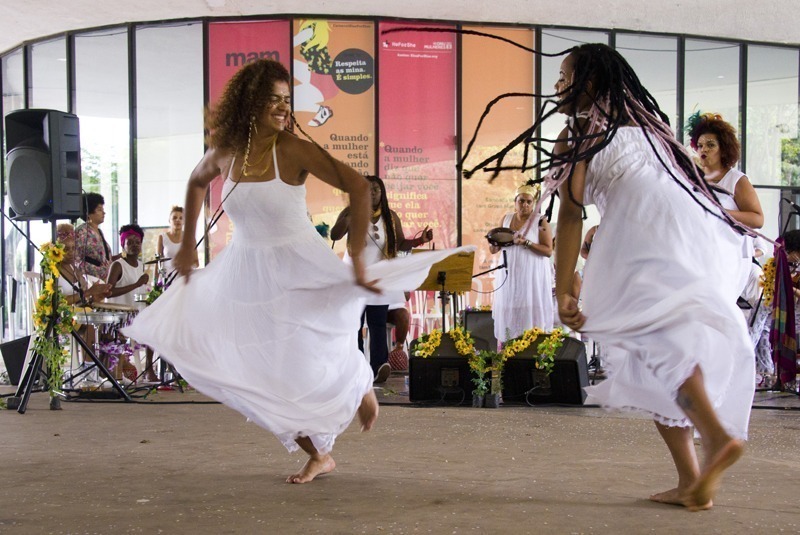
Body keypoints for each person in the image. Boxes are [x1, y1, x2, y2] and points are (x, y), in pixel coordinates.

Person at [124, 59, 469, 484]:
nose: (283, 107)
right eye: (273, 99)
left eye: (287, 100)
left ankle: (357, 380)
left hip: (300, 266)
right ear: (249, 102)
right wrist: (189, 250)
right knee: (261, 374)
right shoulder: (226, 152)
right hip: (248, 272)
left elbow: (358, 186)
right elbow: (196, 182)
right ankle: (319, 454)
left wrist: (358, 256)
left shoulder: (291, 149)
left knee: (308, 352)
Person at [541, 43, 755, 511]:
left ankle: (716, 436)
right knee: (649, 353)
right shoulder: (651, 127)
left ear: (589, 83)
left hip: (639, 230)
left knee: (654, 342)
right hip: (688, 230)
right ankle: (690, 481)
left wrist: (562, 289)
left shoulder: (578, 133)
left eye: (564, 77)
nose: (557, 86)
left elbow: (572, 215)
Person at [330, 175, 433, 382]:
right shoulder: (351, 211)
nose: (372, 193)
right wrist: (348, 219)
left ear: (382, 193)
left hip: (379, 280)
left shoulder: (390, 216)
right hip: (355, 278)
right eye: (367, 189)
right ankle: (356, 368)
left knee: (377, 324)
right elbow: (334, 235)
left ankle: (379, 367)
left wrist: (419, 240)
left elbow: (400, 243)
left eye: (376, 189)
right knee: (354, 325)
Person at [489, 183, 554, 345]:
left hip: (532, 276)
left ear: (533, 204)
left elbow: (548, 251)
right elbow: (493, 249)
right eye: (521, 201)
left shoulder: (540, 221)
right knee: (509, 312)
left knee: (530, 314)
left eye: (529, 202)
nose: (525, 205)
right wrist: (495, 242)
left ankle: (531, 350)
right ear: (515, 202)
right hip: (509, 276)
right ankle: (508, 351)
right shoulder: (506, 219)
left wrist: (526, 243)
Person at [687, 112, 764, 229]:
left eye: (710, 145)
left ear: (724, 150)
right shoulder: (691, 178)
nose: (704, 150)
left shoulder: (736, 180)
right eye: (700, 145)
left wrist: (719, 211)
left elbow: (758, 220)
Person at [74, 192, 114, 280]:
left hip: (103, 279)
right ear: (88, 212)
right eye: (99, 209)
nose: (104, 212)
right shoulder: (82, 231)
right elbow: (76, 258)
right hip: (90, 279)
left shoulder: (99, 231)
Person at [157, 206, 197, 278]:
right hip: (167, 279)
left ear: (184, 221)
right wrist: (155, 282)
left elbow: (196, 263)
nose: (178, 220)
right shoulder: (162, 237)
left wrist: (187, 265)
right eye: (174, 218)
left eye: (181, 218)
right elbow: (157, 262)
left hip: (184, 278)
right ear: (169, 220)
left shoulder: (190, 238)